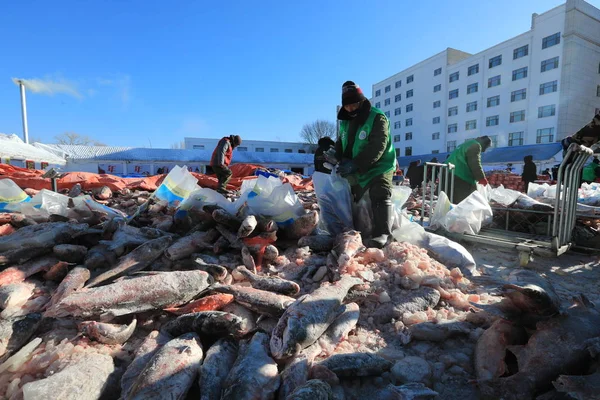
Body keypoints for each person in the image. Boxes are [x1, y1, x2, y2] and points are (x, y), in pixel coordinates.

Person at [335, 81, 396, 248]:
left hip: (380, 164)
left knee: (380, 192)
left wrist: (356, 163)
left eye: (353, 105)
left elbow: (378, 145)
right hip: (357, 167)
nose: (350, 109)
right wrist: (336, 155)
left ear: (361, 101)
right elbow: (342, 143)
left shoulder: (377, 117)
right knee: (356, 196)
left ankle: (383, 233)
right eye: (347, 106)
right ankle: (362, 231)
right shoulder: (345, 121)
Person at [445, 136, 492, 203]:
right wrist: (481, 178)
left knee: (448, 199)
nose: (484, 150)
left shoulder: (467, 143)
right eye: (486, 147)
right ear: (484, 144)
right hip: (459, 175)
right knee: (464, 201)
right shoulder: (476, 145)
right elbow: (475, 163)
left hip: (448, 172)